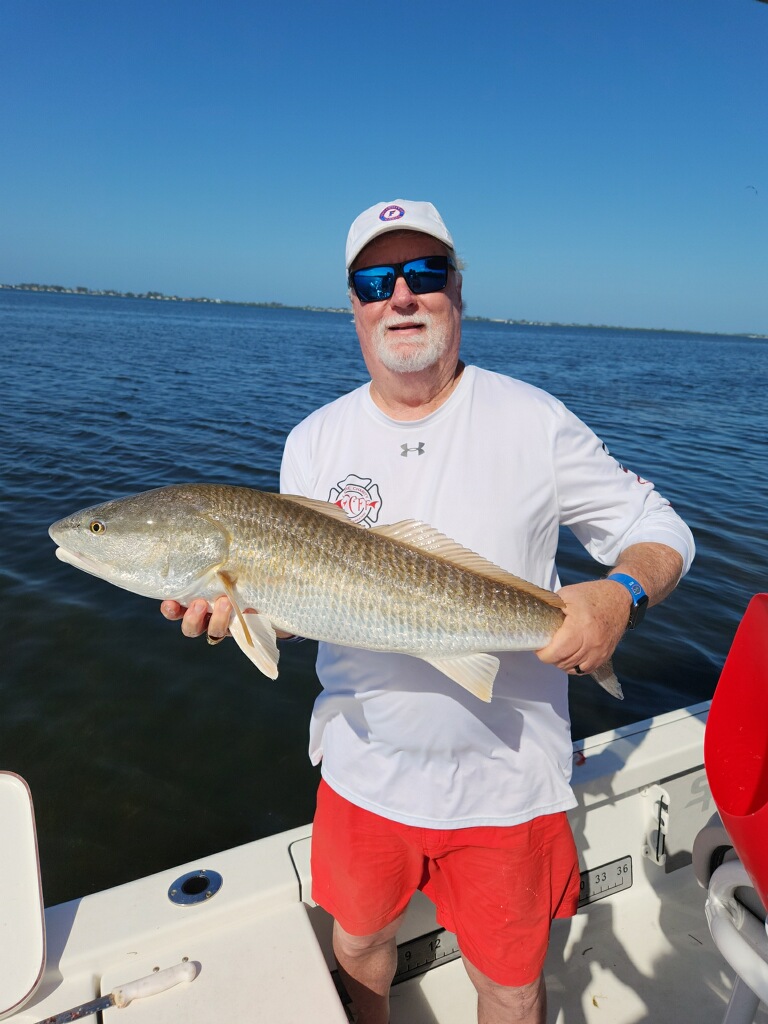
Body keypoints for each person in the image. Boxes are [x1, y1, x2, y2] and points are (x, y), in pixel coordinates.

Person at [162, 199, 695, 1024]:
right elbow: (310, 600)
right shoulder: (314, 439)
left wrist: (619, 594)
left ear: (457, 290)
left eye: (425, 273)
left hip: (507, 785)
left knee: (511, 987)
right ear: (353, 303)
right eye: (376, 280)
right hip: (361, 772)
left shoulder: (532, 419)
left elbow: (658, 530)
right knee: (356, 949)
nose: (401, 295)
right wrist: (244, 611)